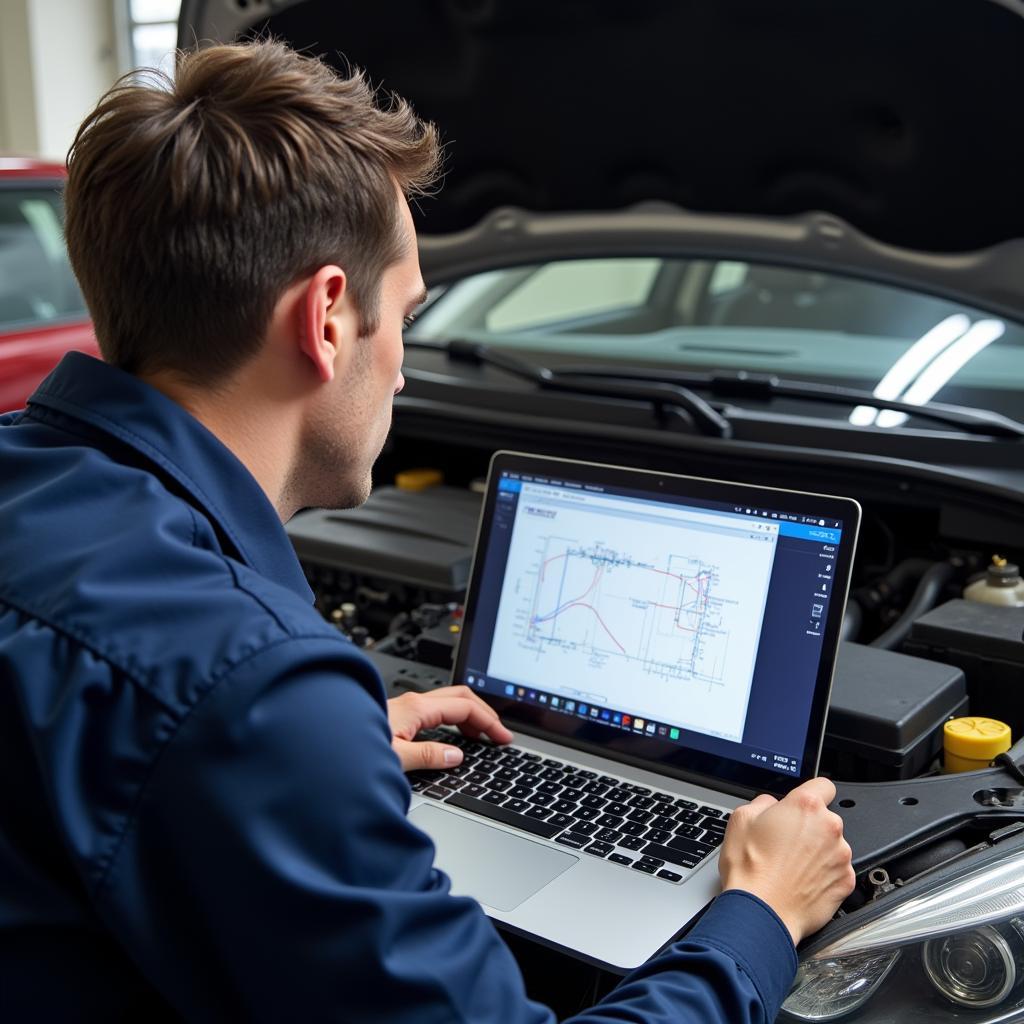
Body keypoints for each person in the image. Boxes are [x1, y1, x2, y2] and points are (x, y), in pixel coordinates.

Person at [0, 40, 855, 1022]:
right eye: (406, 314)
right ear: (327, 318)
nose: (402, 366)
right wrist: (758, 912)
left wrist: (328, 758)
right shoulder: (245, 686)